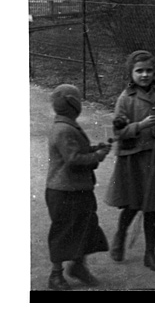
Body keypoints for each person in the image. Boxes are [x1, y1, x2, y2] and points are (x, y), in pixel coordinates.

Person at [105, 50, 155, 271]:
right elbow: (118, 132)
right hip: (131, 159)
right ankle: (120, 235)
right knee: (133, 204)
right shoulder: (125, 99)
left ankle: (150, 253)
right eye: (139, 71)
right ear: (131, 73)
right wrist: (142, 126)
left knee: (150, 207)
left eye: (149, 70)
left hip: (152, 157)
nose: (144, 75)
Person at [45, 83, 111, 291]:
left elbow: (76, 151)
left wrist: (93, 149)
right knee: (64, 232)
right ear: (73, 105)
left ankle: (78, 267)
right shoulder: (64, 129)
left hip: (77, 189)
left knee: (85, 227)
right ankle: (55, 275)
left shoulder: (66, 126)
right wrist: (97, 156)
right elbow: (73, 160)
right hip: (64, 191)